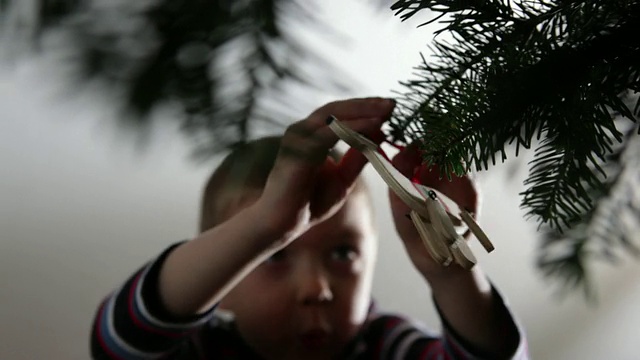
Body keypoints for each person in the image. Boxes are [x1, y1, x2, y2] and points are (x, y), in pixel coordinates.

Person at [90, 97, 529, 359]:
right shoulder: (204, 351)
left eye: (343, 253)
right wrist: (264, 227)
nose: (317, 288)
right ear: (221, 280)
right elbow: (117, 344)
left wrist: (450, 269)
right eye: (274, 256)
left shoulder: (384, 345)